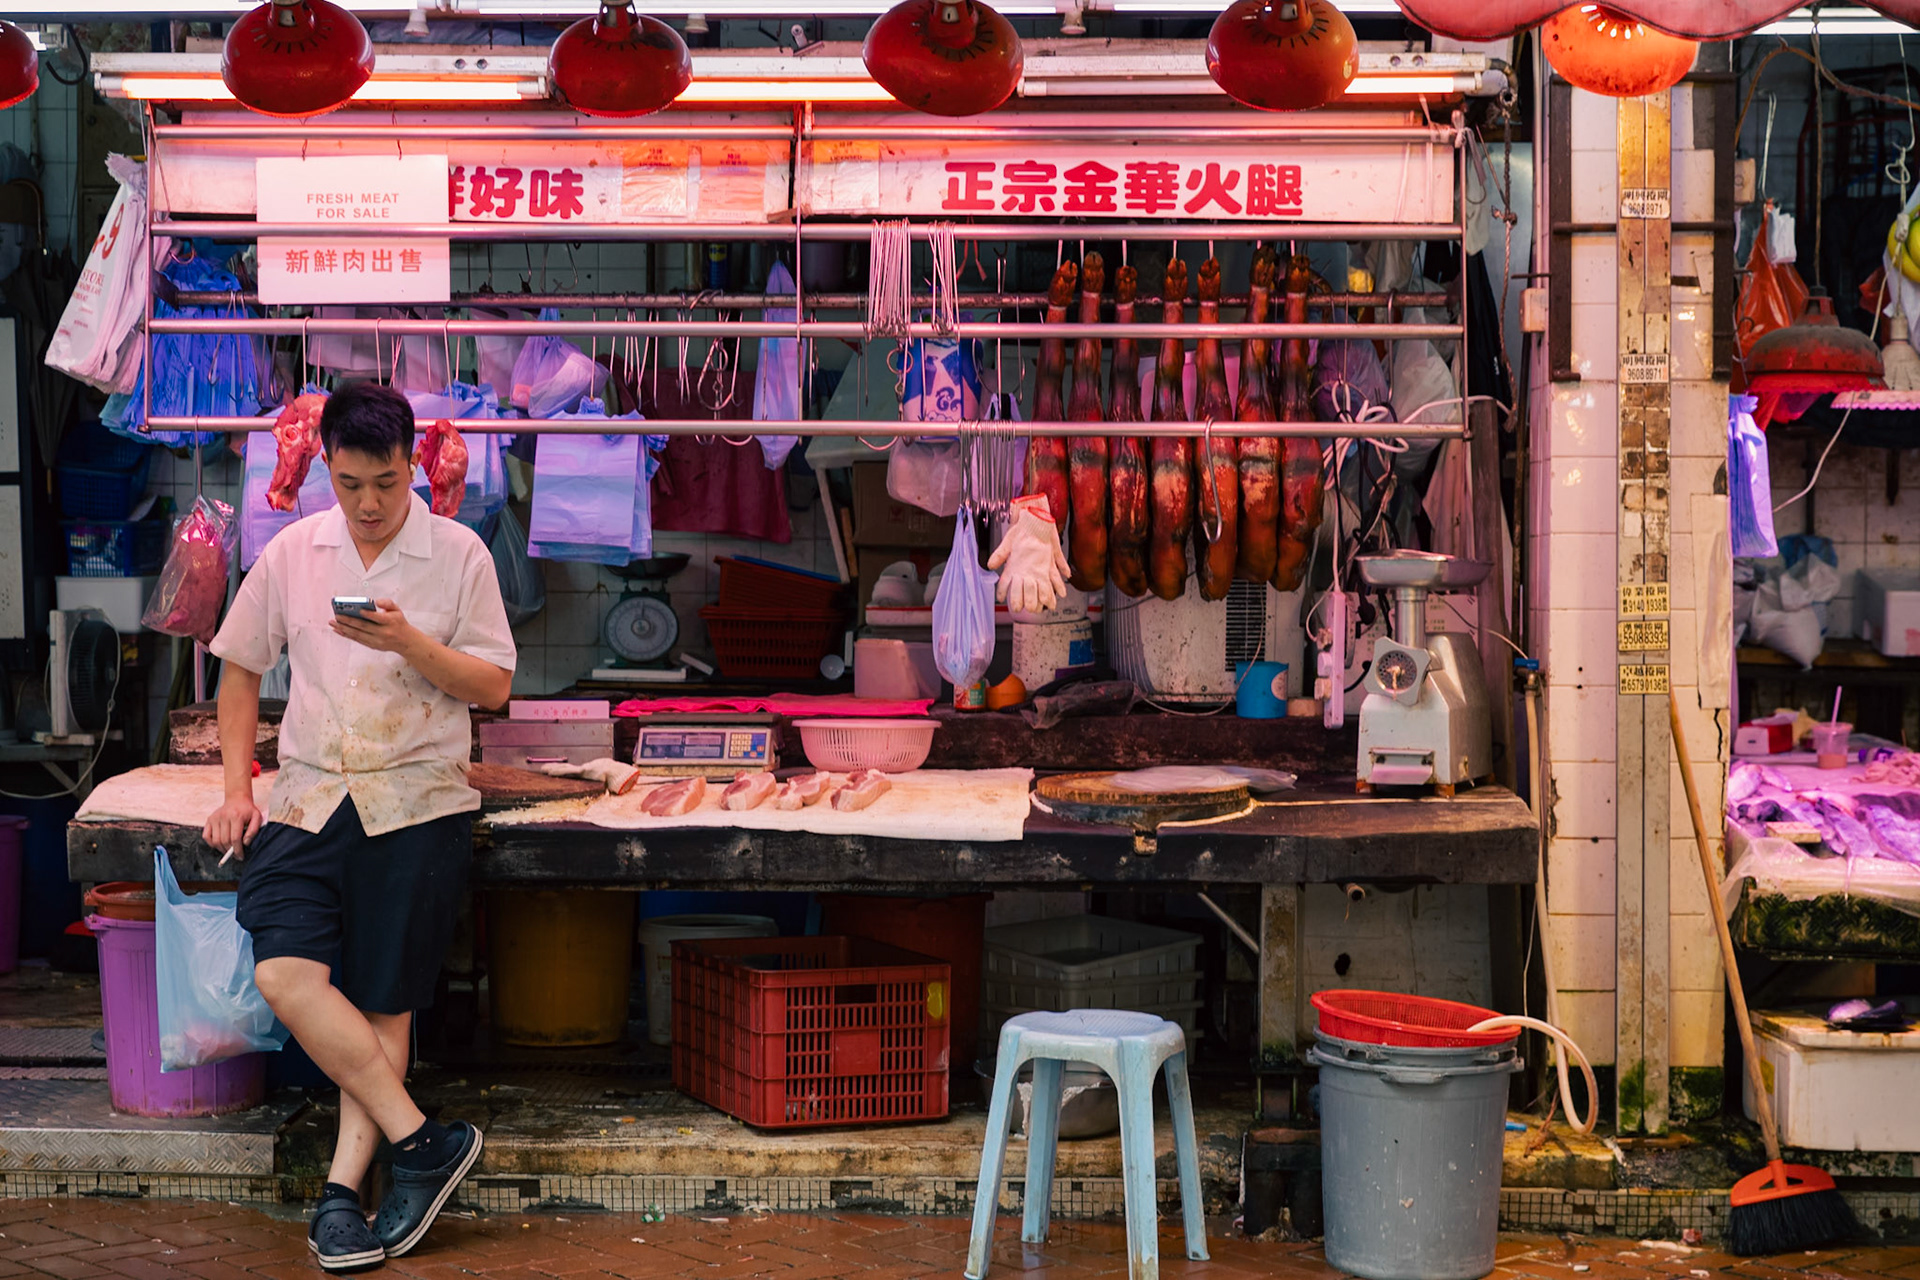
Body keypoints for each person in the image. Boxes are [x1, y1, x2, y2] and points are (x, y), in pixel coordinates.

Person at [204, 383, 516, 1273]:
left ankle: (343, 1196)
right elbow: (237, 667)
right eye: (349, 484)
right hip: (306, 798)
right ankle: (423, 1141)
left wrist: (411, 644)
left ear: (412, 464)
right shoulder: (295, 552)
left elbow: (494, 686)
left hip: (416, 799)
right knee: (285, 972)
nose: (370, 504)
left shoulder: (459, 554)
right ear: (326, 471)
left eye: (385, 481)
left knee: (384, 1002)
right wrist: (237, 786)